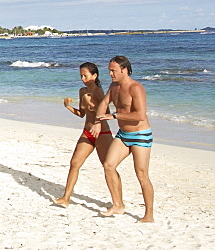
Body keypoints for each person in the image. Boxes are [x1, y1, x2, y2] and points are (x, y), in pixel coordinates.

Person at [95, 55, 155, 222]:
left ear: (124, 70)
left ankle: (149, 214)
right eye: (109, 71)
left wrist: (114, 116)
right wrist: (98, 121)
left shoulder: (136, 87)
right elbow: (104, 102)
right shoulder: (114, 86)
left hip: (140, 135)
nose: (111, 74)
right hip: (123, 134)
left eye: (113, 71)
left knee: (141, 175)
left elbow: (140, 115)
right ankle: (118, 205)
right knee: (108, 165)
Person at [51, 62, 113, 207]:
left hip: (102, 133)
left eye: (85, 75)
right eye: (81, 76)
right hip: (87, 132)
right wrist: (67, 106)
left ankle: (117, 201)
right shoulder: (82, 91)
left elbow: (108, 114)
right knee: (74, 163)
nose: (83, 79)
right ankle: (66, 198)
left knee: (108, 167)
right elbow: (81, 114)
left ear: (94, 75)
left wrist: (95, 107)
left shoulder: (98, 92)